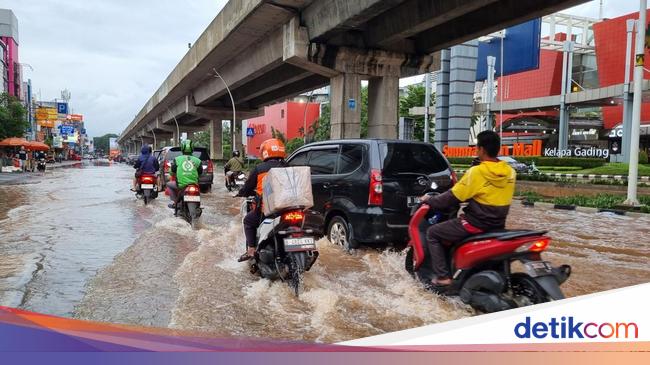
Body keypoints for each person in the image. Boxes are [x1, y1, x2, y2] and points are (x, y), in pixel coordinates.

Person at [419, 131, 515, 288]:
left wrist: (431, 200)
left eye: (477, 147)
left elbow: (452, 197)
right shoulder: (510, 172)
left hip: (476, 224)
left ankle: (443, 277)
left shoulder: (476, 172)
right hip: (498, 226)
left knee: (432, 233)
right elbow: (490, 193)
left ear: (482, 149)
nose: (476, 150)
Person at [236, 138, 286, 261]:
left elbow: (248, 187)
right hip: (287, 209)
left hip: (268, 211)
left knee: (248, 221)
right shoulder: (288, 166)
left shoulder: (259, 168)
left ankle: (251, 250)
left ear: (265, 152)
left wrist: (241, 193)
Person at [167, 140, 203, 210]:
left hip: (181, 185)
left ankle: (175, 203)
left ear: (182, 148)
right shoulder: (198, 160)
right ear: (192, 148)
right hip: (194, 185)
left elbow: (172, 172)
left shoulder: (177, 159)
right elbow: (200, 173)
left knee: (169, 184)